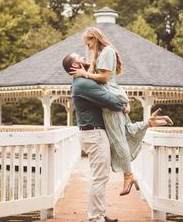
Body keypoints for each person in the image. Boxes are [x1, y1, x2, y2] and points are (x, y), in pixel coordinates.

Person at [62, 52, 173, 222]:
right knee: (100, 178)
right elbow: (111, 100)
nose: (85, 58)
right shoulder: (83, 84)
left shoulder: (84, 82)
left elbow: (109, 95)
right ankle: (95, 218)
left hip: (94, 133)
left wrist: (144, 120)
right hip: (94, 134)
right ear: (75, 66)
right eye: (80, 58)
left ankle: (99, 213)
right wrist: (125, 104)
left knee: (100, 177)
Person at [70, 27, 173, 197]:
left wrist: (84, 74)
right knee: (125, 131)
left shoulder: (107, 51)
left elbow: (104, 78)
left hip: (111, 96)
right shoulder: (99, 54)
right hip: (111, 97)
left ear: (94, 38)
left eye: (88, 43)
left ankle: (128, 176)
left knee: (118, 138)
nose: (87, 47)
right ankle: (150, 122)